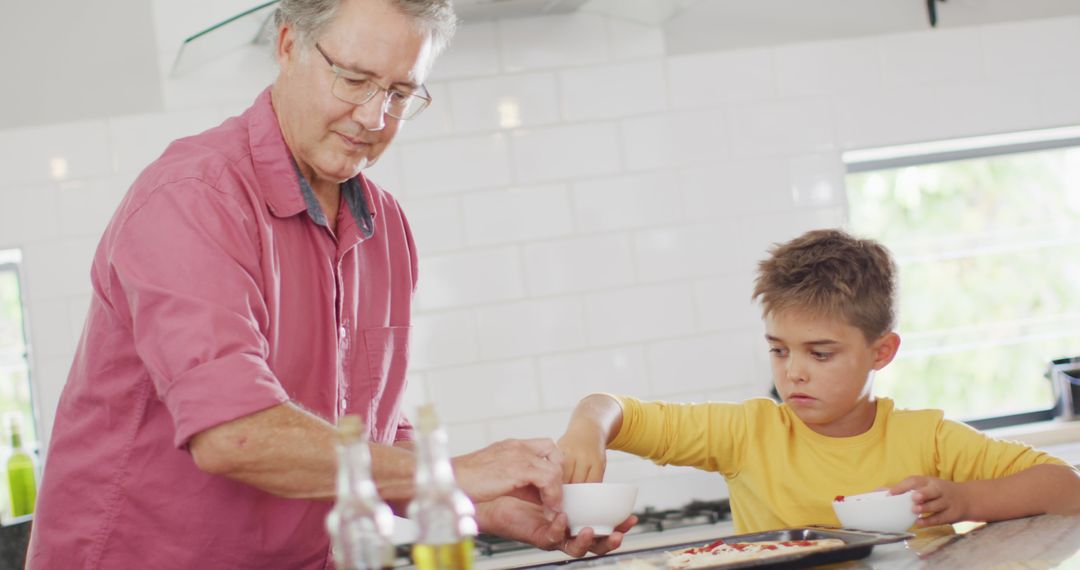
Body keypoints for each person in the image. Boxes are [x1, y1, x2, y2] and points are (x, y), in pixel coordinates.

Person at [27, 1, 632, 567]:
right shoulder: (194, 198)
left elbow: (365, 431)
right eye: (354, 79)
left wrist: (486, 504)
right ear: (288, 44)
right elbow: (233, 434)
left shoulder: (384, 226)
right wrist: (449, 474)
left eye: (399, 93)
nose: (374, 118)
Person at [557, 228, 1080, 533]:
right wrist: (588, 423)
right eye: (778, 350)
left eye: (820, 353)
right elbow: (616, 411)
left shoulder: (929, 439)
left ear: (882, 352)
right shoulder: (747, 432)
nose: (794, 371)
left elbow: (1067, 488)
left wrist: (964, 501)